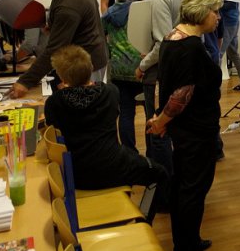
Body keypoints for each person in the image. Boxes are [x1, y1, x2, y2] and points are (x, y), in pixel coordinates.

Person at [146, 0, 225, 251]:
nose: (218, 17)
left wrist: (161, 117)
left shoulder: (172, 38)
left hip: (185, 128)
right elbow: (182, 92)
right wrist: (162, 119)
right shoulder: (190, 47)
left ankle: (186, 241)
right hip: (196, 129)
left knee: (184, 186)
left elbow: (166, 83)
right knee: (194, 190)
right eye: (215, 12)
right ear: (201, 13)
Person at [44, 45, 166, 219]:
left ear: (62, 77)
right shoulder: (110, 92)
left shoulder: (54, 103)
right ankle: (143, 218)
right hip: (113, 167)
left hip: (76, 175)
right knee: (160, 173)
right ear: (91, 68)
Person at [10, 0, 108, 99]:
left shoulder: (68, 6)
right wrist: (54, 25)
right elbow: (81, 18)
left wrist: (25, 82)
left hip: (85, 66)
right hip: (91, 56)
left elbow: (54, 50)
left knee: (84, 107)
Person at [136, 0, 190, 198]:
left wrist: (142, 65)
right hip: (182, 71)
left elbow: (162, 43)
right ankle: (176, 185)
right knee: (175, 130)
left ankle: (164, 193)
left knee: (157, 129)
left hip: (160, 73)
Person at [102, 0, 148, 150]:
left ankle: (130, 153)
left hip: (118, 69)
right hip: (142, 68)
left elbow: (100, 37)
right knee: (150, 113)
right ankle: (152, 153)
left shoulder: (109, 12)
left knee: (126, 114)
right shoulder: (143, 10)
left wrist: (111, 54)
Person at [173, 0, 221, 65]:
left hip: (196, 54)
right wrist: (216, 50)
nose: (218, 17)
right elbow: (220, 32)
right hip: (211, 51)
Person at [219, 0, 240, 91]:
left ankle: (214, 86)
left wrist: (216, 3)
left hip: (228, 24)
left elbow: (227, 6)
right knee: (233, 53)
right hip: (233, 22)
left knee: (219, 54)